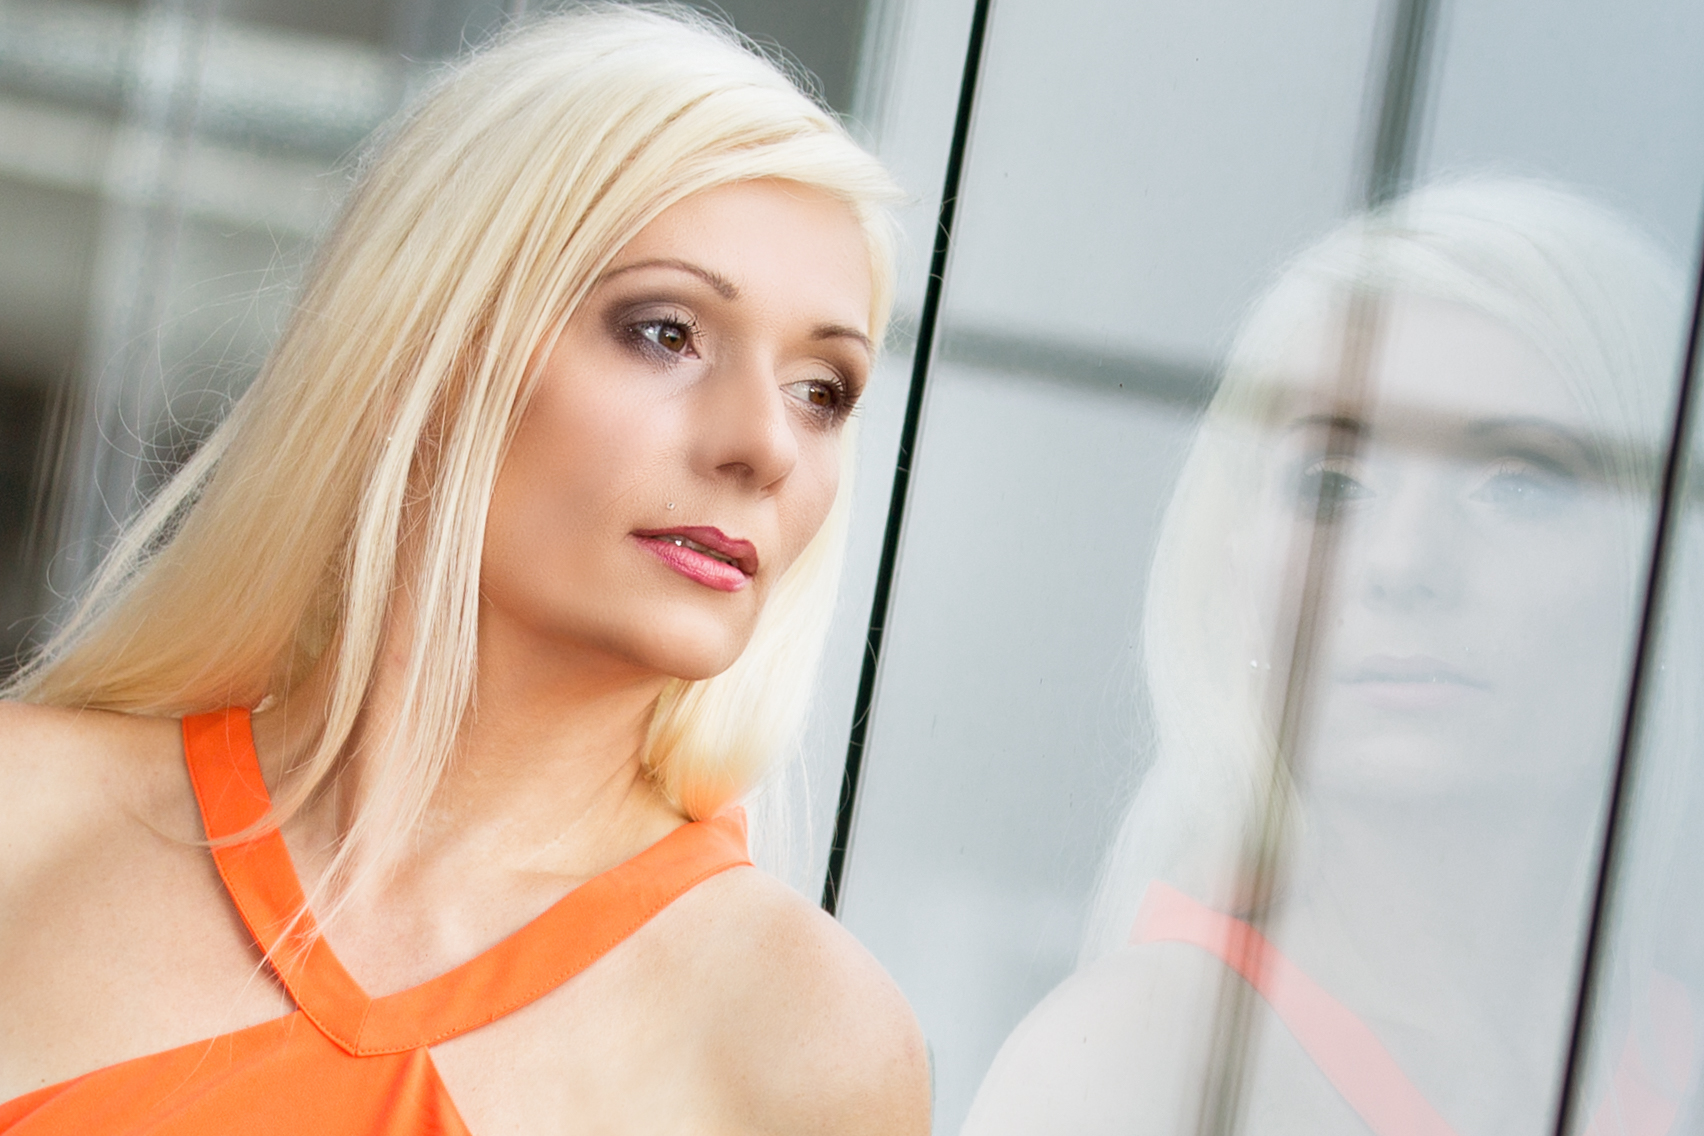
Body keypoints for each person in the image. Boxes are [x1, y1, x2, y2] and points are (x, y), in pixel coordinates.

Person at [0, 7, 930, 1133]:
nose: (767, 445)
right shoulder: (26, 811)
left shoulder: (796, 1036)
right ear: (434, 343)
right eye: (666, 332)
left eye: (821, 389)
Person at [963, 177, 1700, 1134]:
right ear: (1233, 555)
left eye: (1520, 484)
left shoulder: (1673, 1054)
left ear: (1667, 565)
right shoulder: (1134, 1073)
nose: (1404, 565)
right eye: (1334, 482)